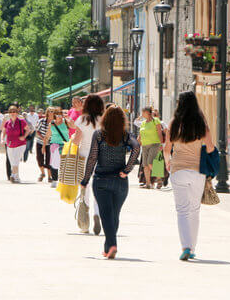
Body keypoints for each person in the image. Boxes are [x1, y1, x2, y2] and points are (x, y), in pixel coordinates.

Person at [80, 105, 140, 259]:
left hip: (101, 179)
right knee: (114, 215)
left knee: (106, 214)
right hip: (119, 180)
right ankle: (108, 247)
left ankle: (112, 245)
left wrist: (85, 179)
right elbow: (136, 148)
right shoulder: (126, 135)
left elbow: (93, 157)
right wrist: (127, 170)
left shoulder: (99, 134)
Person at [163, 91, 216, 261]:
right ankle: (192, 248)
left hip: (178, 170)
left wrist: (167, 162)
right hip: (197, 171)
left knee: (182, 211)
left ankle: (185, 246)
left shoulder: (174, 123)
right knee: (194, 210)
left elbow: (166, 148)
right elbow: (210, 147)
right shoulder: (201, 124)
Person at [70, 94, 104, 235]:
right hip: (101, 158)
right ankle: (97, 213)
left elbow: (77, 141)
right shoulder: (103, 120)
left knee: (85, 188)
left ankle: (85, 222)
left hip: (85, 157)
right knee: (98, 189)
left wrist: (72, 140)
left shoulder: (82, 120)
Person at [134, 107, 164, 189]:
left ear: (148, 113)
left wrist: (161, 144)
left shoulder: (156, 121)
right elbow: (140, 135)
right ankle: (148, 183)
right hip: (144, 145)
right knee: (145, 165)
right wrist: (136, 144)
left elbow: (159, 133)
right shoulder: (143, 123)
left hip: (154, 144)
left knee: (150, 162)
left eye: (143, 112)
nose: (142, 114)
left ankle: (159, 179)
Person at [2, 105, 30, 183]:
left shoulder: (21, 121)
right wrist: (2, 139)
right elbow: (3, 131)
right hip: (10, 144)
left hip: (20, 144)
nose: (12, 113)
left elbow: (28, 130)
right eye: (11, 112)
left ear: (17, 113)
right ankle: (17, 177)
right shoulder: (7, 123)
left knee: (16, 159)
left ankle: (13, 175)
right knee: (12, 161)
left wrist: (24, 136)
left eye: (14, 112)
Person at [43, 107, 69, 187]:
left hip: (64, 144)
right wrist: (43, 146)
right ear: (54, 115)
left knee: (64, 163)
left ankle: (62, 180)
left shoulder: (66, 122)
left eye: (60, 115)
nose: (59, 116)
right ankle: (54, 180)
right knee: (54, 163)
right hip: (54, 145)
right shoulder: (52, 124)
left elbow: (74, 127)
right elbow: (47, 136)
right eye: (57, 115)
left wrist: (68, 118)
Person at [34, 107, 50, 181]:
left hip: (50, 143)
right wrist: (43, 138)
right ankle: (43, 173)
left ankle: (50, 176)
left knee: (49, 160)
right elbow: (37, 130)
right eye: (49, 112)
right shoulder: (42, 121)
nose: (51, 113)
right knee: (39, 158)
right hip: (40, 142)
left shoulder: (54, 122)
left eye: (52, 112)